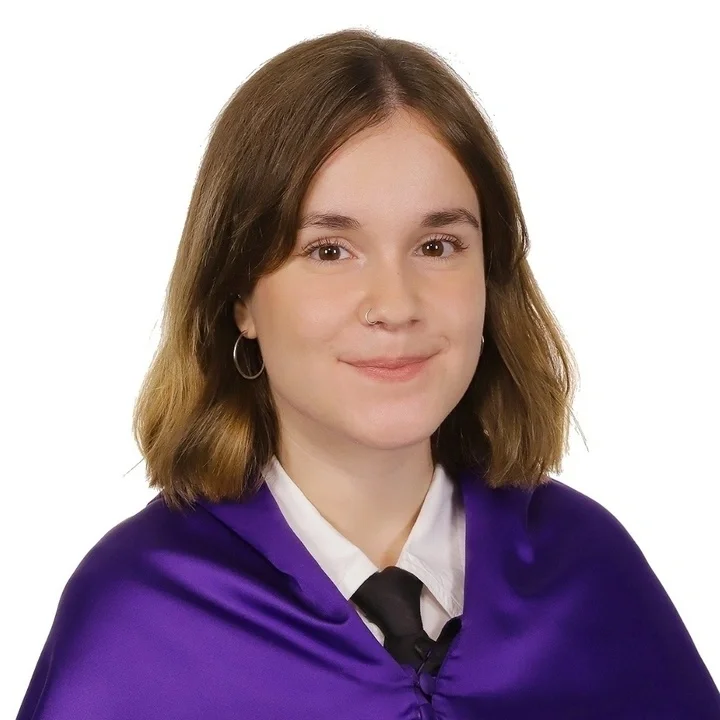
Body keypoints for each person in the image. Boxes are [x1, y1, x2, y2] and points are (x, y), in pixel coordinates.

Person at [16, 28, 720, 720]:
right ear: (240, 298)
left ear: (490, 276)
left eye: (437, 245)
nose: (395, 305)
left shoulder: (589, 574)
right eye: (329, 250)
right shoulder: (139, 618)